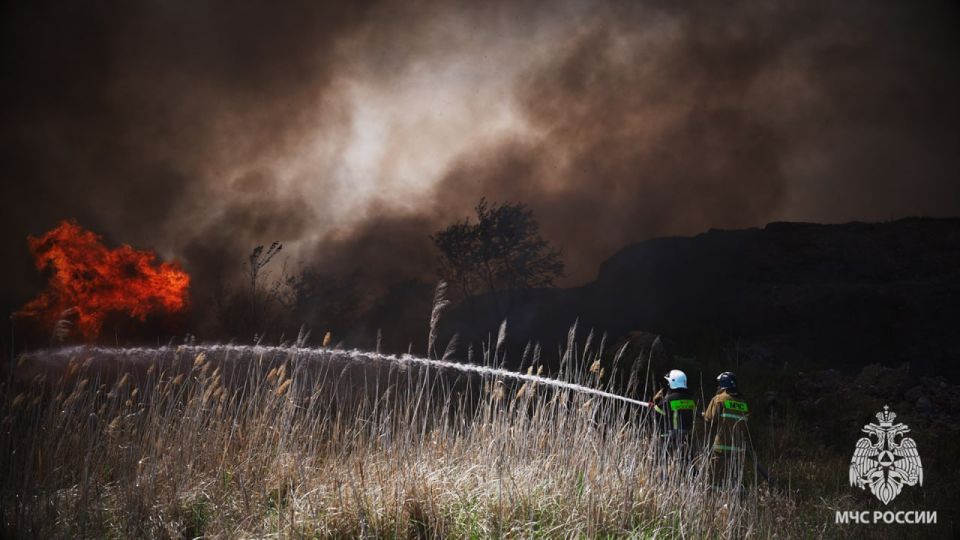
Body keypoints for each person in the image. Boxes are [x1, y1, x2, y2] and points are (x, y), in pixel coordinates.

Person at [703, 371, 750, 486]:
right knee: (735, 478)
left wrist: (703, 414)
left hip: (721, 447)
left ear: (722, 384)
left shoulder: (719, 399)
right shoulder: (743, 402)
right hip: (738, 448)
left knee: (715, 479)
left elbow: (709, 418)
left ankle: (714, 499)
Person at [649, 369, 696, 453]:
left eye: (669, 382)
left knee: (664, 462)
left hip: (671, 438)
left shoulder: (669, 399)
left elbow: (656, 414)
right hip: (686, 438)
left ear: (673, 382)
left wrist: (655, 403)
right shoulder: (689, 399)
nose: (668, 384)